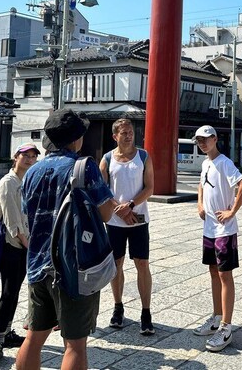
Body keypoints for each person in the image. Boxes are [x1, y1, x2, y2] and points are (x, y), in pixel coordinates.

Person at [16, 109, 116, 370]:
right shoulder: (84, 167)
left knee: (34, 337)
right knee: (74, 344)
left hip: (37, 263)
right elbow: (106, 212)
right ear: (77, 139)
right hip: (73, 267)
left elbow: (28, 214)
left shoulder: (32, 172)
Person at [192, 125, 242, 352]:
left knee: (225, 274)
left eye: (206, 139)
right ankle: (216, 317)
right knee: (213, 271)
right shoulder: (206, 163)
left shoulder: (224, 162)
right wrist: (199, 203)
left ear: (215, 139)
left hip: (224, 229)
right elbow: (201, 184)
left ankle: (226, 326)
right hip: (209, 228)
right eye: (199, 140)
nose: (202, 143)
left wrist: (232, 211)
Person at [99, 118, 155, 335]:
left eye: (131, 132)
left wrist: (130, 206)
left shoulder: (144, 156)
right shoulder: (106, 159)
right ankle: (118, 306)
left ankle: (146, 312)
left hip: (139, 218)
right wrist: (119, 209)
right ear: (115, 136)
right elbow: (101, 190)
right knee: (117, 264)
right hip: (115, 221)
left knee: (142, 263)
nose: (129, 135)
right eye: (124, 133)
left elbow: (150, 187)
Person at [0, 143, 40, 360]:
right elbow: (12, 222)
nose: (29, 159)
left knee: (15, 291)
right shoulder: (8, 183)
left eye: (33, 156)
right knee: (8, 293)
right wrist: (29, 246)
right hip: (12, 246)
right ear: (15, 157)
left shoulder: (26, 180)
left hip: (26, 244)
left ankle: (7, 332)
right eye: (25, 155)